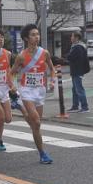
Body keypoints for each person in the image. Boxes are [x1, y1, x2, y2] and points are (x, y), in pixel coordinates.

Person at [10, 24, 55, 164]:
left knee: (36, 125)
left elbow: (52, 69)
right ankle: (42, 153)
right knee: (35, 120)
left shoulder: (45, 53)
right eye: (33, 35)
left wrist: (52, 81)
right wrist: (12, 86)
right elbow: (12, 73)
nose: (37, 37)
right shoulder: (21, 57)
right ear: (26, 38)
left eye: (37, 34)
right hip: (26, 90)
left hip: (40, 90)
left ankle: (19, 107)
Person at [67, 31, 90, 113]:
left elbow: (70, 57)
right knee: (75, 89)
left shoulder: (78, 47)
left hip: (77, 71)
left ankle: (85, 107)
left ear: (76, 38)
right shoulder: (76, 46)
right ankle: (75, 106)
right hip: (76, 71)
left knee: (79, 89)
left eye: (72, 36)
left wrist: (68, 56)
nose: (71, 38)